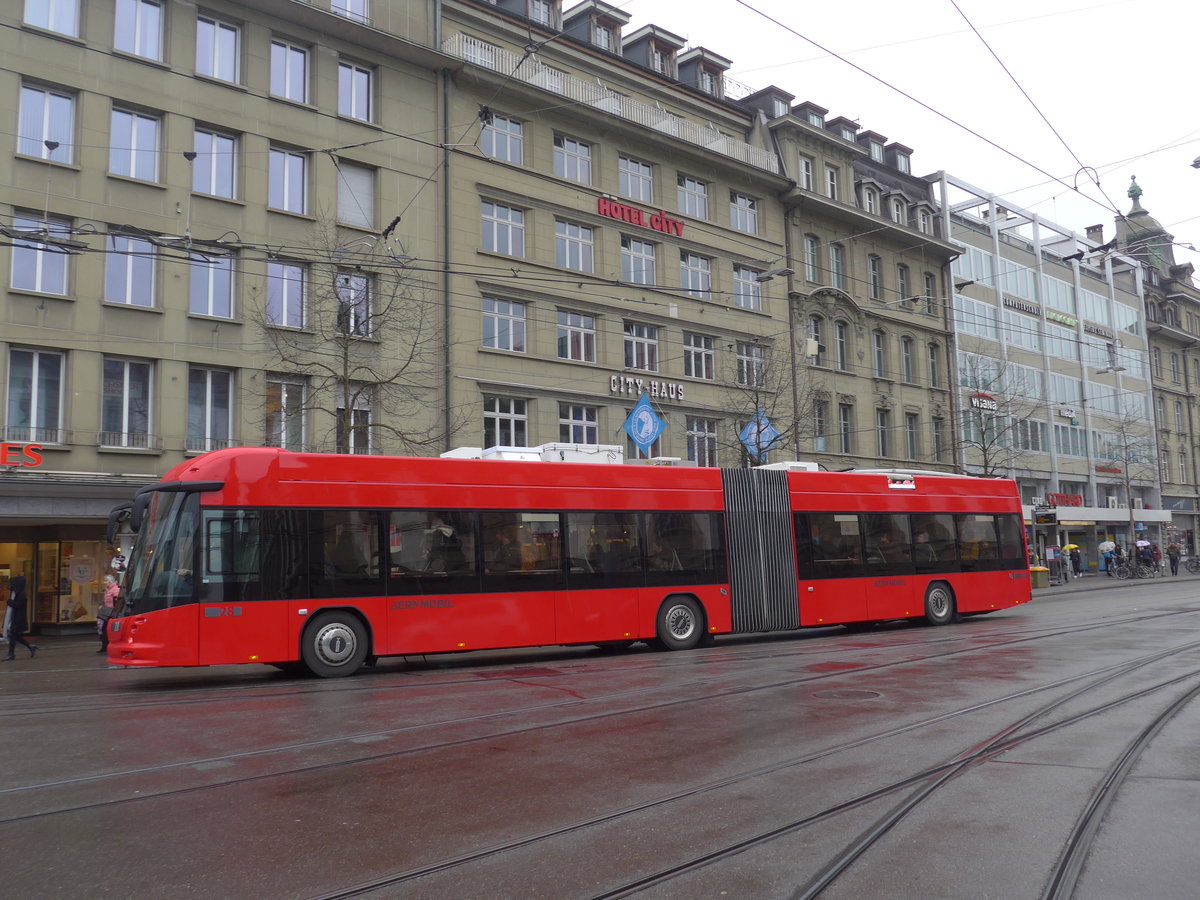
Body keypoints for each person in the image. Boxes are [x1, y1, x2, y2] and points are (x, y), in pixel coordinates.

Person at [3, 574, 37, 661]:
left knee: (13, 635)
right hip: (16, 618)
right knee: (15, 636)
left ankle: (11, 654)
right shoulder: (18, 593)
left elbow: (17, 605)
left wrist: (9, 602)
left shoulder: (21, 595)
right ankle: (30, 646)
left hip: (18, 619)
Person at [98, 574, 120, 654]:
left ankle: (107, 646)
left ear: (110, 582)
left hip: (111, 613)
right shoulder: (108, 590)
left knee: (105, 629)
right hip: (106, 612)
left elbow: (117, 601)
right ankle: (105, 646)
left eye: (106, 581)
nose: (104, 582)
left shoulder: (115, 590)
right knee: (103, 629)